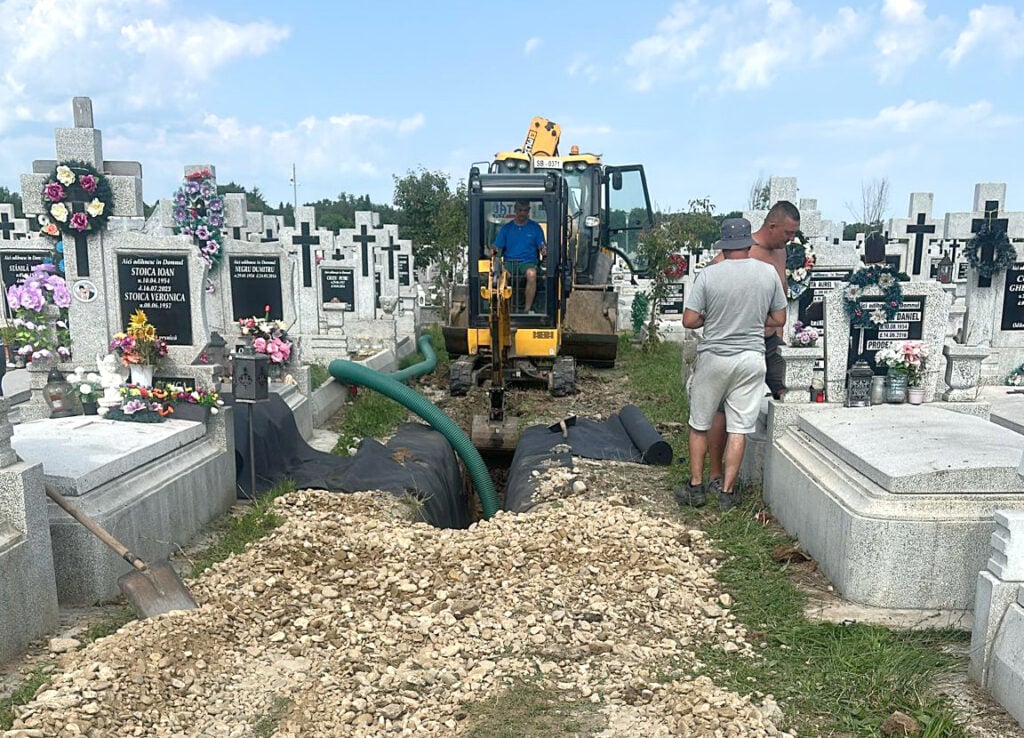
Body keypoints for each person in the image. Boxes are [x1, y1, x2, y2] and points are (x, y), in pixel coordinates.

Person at [679, 217, 787, 510]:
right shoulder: (767, 273)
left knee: (700, 424)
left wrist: (711, 319)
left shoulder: (709, 275)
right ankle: (726, 493)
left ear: (724, 247)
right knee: (738, 428)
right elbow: (779, 319)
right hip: (751, 359)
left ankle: (697, 487)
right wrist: (752, 321)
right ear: (748, 244)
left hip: (716, 358)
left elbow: (689, 320)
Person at [704, 200, 800, 489]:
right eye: (787, 233)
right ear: (771, 226)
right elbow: (710, 292)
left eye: (794, 234)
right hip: (738, 345)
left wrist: (777, 332)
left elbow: (780, 297)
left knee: (786, 391)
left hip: (771, 342)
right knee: (723, 410)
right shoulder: (736, 255)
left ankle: (781, 471)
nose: (790, 239)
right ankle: (715, 473)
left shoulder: (781, 252)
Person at [492, 200, 547, 312]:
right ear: (515, 210)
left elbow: (542, 246)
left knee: (532, 274)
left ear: (529, 211)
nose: (522, 213)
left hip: (528, 263)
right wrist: (493, 250)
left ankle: (527, 310)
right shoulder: (506, 229)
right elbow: (496, 246)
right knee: (502, 277)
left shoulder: (535, 228)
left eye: (525, 210)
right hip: (509, 263)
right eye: (520, 210)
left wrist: (544, 250)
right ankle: (505, 310)